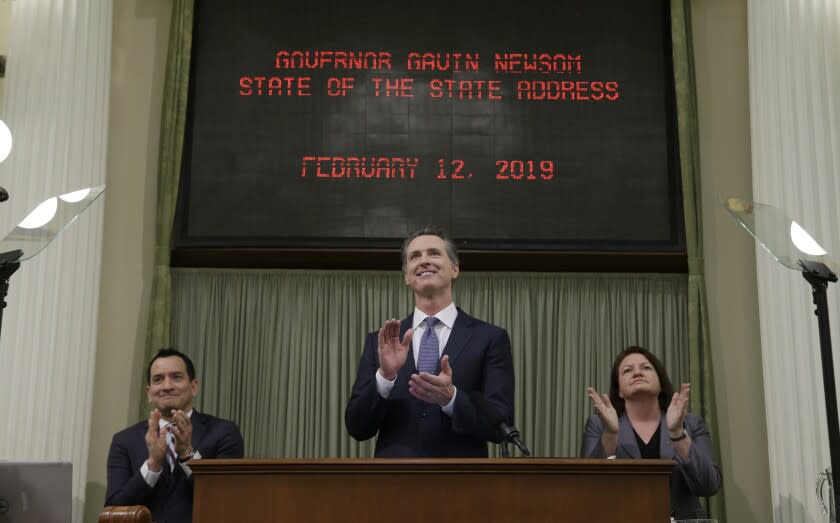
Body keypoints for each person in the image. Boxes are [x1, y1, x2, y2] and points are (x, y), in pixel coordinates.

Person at [345, 225, 515, 457]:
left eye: (434, 253)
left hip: (462, 483)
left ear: (455, 269)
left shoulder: (490, 338)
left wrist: (451, 398)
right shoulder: (381, 341)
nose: (424, 261)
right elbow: (357, 427)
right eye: (415, 256)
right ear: (406, 276)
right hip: (393, 484)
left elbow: (500, 424)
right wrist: (384, 379)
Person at [581, 346, 722, 519]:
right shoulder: (598, 425)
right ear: (619, 390)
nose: (637, 373)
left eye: (646, 368)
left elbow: (709, 486)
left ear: (661, 383)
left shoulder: (692, 424)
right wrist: (610, 434)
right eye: (627, 370)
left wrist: (678, 434)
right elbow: (587, 485)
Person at [105, 348, 244, 523]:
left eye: (176, 377)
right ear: (149, 393)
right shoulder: (124, 440)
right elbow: (114, 510)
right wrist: (153, 465)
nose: (167, 386)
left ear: (193, 387)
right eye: (158, 379)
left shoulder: (223, 432)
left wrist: (187, 454)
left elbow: (226, 499)